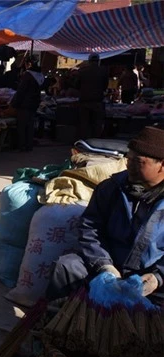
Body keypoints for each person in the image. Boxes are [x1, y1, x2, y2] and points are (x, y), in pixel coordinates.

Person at [47, 126, 164, 306]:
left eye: (138, 161)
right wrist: (104, 265)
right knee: (67, 267)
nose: (128, 164)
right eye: (128, 158)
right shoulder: (110, 188)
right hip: (107, 267)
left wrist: (158, 276)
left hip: (149, 278)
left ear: (162, 165)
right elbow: (90, 228)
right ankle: (56, 324)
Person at [10, 57, 44, 152]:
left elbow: (21, 91)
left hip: (25, 104)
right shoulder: (40, 75)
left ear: (29, 64)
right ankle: (29, 146)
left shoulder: (28, 75)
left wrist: (14, 104)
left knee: (22, 126)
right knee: (30, 126)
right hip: (34, 104)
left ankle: (22, 146)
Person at [77, 53, 109, 139]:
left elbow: (77, 85)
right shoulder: (103, 71)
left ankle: (85, 141)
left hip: (84, 100)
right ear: (98, 61)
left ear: (89, 61)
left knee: (84, 123)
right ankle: (95, 141)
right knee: (97, 123)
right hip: (97, 100)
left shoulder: (82, 71)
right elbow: (105, 86)